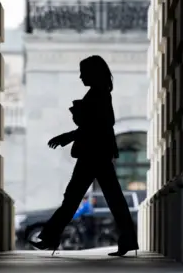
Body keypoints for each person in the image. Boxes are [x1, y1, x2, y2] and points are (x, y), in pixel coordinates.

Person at [28, 55, 139, 257]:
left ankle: (50, 236)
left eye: (83, 72)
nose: (80, 76)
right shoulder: (99, 94)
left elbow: (96, 125)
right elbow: (97, 124)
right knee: (108, 198)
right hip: (97, 154)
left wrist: (69, 134)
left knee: (74, 198)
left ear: (92, 73)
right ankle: (127, 239)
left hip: (93, 154)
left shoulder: (99, 95)